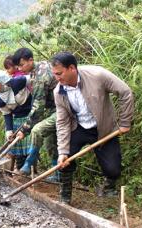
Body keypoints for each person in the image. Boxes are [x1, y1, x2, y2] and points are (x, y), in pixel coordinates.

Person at [51, 51, 134, 204]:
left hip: (104, 128)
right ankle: (65, 195)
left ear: (72, 68)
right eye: (54, 74)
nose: (57, 78)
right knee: (64, 160)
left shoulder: (98, 75)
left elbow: (125, 93)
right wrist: (63, 151)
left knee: (113, 169)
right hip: (79, 127)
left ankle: (108, 187)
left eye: (59, 73)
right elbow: (62, 122)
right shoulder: (59, 91)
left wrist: (124, 123)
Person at [12, 48, 59, 177]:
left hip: (62, 108)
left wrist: (25, 128)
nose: (20, 69)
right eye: (18, 66)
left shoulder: (41, 75)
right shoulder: (36, 70)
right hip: (51, 109)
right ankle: (58, 173)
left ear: (31, 60)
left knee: (37, 130)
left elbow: (38, 106)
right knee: (50, 142)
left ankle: (28, 163)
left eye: (22, 65)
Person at [0, 70, 32, 170]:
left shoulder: (18, 81)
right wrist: (9, 130)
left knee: (31, 146)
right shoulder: (0, 99)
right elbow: (7, 114)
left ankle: (30, 168)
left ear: (2, 82)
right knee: (17, 146)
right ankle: (19, 169)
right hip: (17, 119)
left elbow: (35, 80)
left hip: (31, 115)